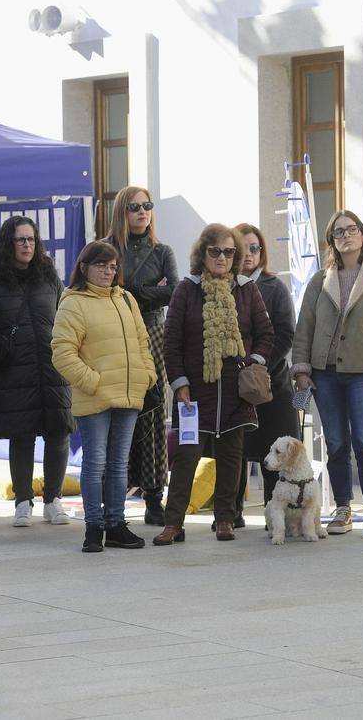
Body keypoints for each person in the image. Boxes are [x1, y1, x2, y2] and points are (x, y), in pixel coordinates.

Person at [156, 223, 274, 544]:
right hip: (195, 392)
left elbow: (266, 335)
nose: (222, 257)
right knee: (186, 458)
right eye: (215, 251)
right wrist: (179, 384)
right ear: (202, 253)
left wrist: (253, 363)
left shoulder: (247, 288)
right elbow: (172, 342)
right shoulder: (187, 288)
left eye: (229, 251)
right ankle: (173, 523)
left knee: (231, 457)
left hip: (237, 392)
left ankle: (225, 519)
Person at [293, 210, 363, 539]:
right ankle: (342, 507)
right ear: (332, 242)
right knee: (336, 443)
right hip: (325, 374)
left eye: (351, 230)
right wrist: (301, 369)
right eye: (338, 232)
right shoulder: (318, 280)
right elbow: (304, 328)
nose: (345, 236)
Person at [0, 216, 74, 527]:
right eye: (20, 240)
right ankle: (23, 501)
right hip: (11, 370)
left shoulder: (48, 275)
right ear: (7, 243)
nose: (27, 245)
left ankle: (53, 501)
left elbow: (67, 314)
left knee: (58, 431)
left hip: (53, 367)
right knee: (21, 435)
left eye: (31, 239)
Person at [52, 241, 155, 552]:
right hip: (95, 396)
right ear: (84, 267)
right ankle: (94, 527)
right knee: (95, 463)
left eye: (113, 267)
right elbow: (62, 352)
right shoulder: (73, 302)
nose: (109, 272)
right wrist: (91, 381)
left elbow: (142, 342)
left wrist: (146, 375)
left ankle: (116, 524)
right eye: (102, 265)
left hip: (129, 394)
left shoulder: (126, 299)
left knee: (118, 464)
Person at [103, 185, 178, 526]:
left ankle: (153, 496)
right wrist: (150, 292)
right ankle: (113, 494)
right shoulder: (105, 249)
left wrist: (132, 293)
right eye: (134, 207)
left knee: (152, 411)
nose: (142, 211)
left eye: (147, 205)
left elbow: (173, 292)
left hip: (152, 332)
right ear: (122, 211)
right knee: (115, 409)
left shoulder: (162, 250)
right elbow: (95, 289)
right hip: (112, 333)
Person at [234, 223, 297, 524]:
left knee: (275, 452)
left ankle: (276, 514)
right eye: (242, 248)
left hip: (273, 385)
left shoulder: (275, 287)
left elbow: (285, 333)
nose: (248, 254)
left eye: (254, 248)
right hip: (234, 384)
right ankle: (231, 512)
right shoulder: (224, 286)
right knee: (234, 451)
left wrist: (259, 367)